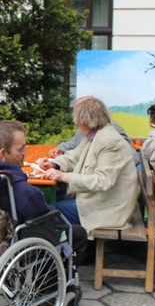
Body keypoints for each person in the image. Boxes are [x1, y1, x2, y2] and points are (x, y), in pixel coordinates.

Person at [0, 120, 89, 259]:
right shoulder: (20, 189)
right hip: (10, 242)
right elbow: (46, 217)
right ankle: (49, 281)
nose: (25, 152)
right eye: (20, 149)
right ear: (3, 153)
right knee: (77, 233)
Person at [39, 97, 139, 237]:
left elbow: (102, 181)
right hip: (101, 201)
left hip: (109, 209)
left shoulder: (109, 141)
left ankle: (67, 251)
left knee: (47, 211)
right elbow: (75, 155)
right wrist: (54, 164)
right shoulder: (96, 134)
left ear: (83, 120)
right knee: (49, 203)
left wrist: (63, 176)